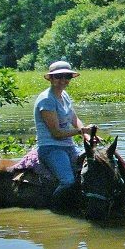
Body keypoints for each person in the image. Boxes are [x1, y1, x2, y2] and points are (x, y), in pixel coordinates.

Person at [34, 60, 92, 209]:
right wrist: (81, 131)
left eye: (67, 77)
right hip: (51, 147)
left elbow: (73, 118)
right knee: (68, 181)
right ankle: (54, 208)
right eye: (59, 77)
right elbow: (56, 133)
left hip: (68, 146)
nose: (63, 81)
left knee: (87, 174)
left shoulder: (64, 95)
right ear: (51, 79)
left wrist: (86, 134)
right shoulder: (47, 100)